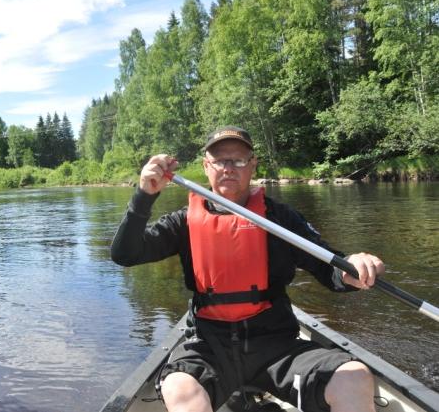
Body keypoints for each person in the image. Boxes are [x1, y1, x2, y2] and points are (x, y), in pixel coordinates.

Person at [110, 125, 385, 412]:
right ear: (206, 166)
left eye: (239, 160)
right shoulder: (183, 222)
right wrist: (144, 196)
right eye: (219, 160)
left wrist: (352, 268)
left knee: (354, 378)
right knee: (180, 390)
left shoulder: (280, 219)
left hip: (277, 346)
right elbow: (125, 254)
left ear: (253, 165)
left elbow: (328, 268)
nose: (229, 168)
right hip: (209, 348)